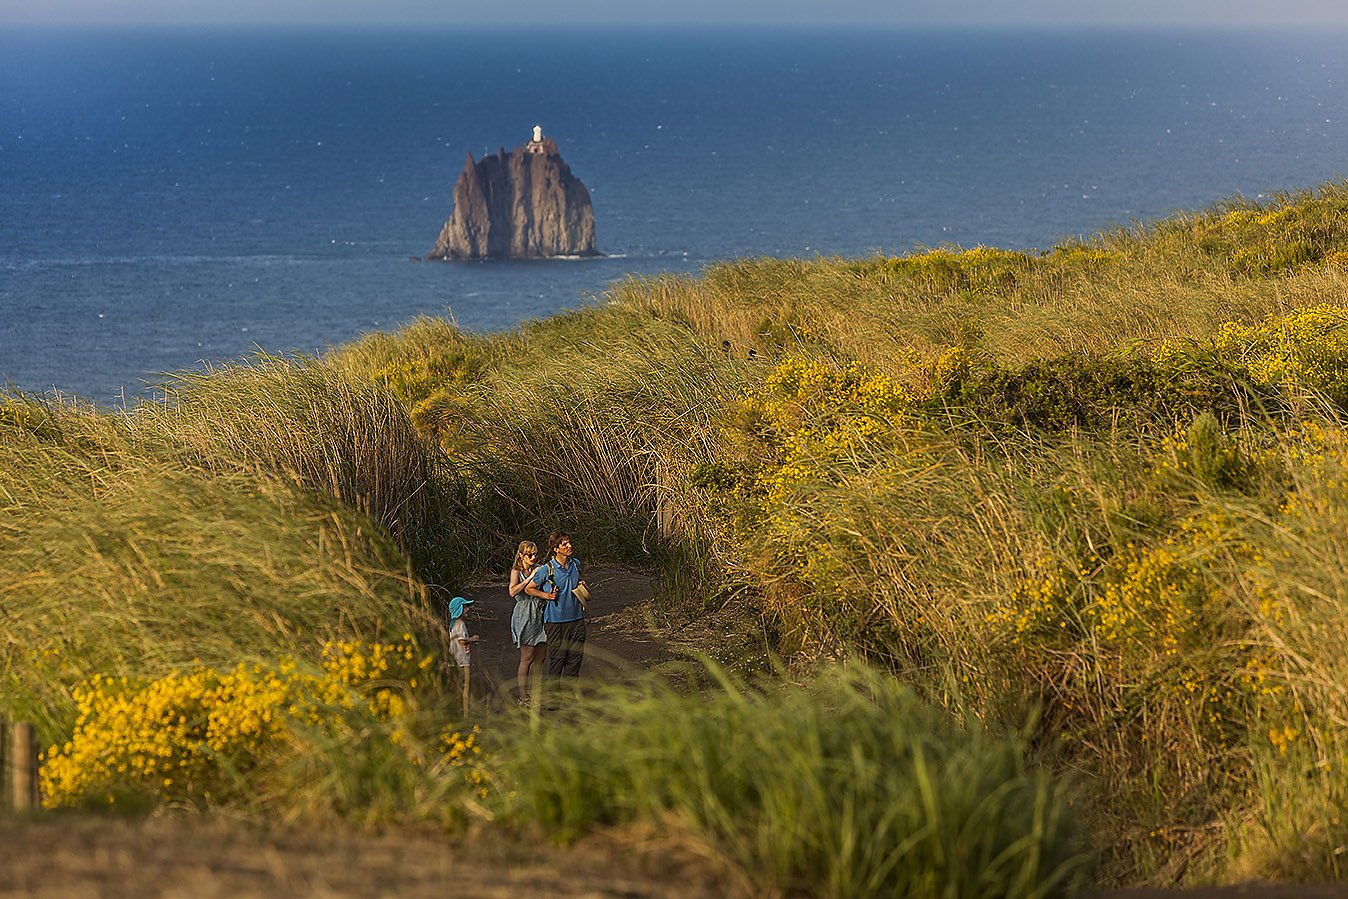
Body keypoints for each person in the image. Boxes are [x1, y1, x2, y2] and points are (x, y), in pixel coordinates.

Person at [526, 532, 588, 678]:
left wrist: (580, 585)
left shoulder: (575, 564)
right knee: (557, 661)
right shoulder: (546, 569)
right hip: (555, 622)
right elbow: (529, 588)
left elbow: (575, 581)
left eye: (569, 542)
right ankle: (554, 700)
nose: (569, 546)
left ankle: (569, 698)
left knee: (575, 662)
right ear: (556, 548)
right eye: (564, 544)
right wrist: (546, 595)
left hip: (577, 620)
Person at [507, 540, 546, 703]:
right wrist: (530, 577)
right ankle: (523, 696)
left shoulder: (539, 567)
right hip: (525, 614)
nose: (533, 557)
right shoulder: (517, 571)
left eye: (535, 554)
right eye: (530, 554)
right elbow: (512, 591)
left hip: (540, 612)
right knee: (527, 657)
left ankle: (534, 692)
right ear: (521, 555)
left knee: (541, 657)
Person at [446, 595, 480, 670]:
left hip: (454, 659)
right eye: (465, 607)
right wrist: (472, 639)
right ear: (459, 610)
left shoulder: (453, 624)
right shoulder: (460, 624)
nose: (468, 609)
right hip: (460, 660)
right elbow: (461, 641)